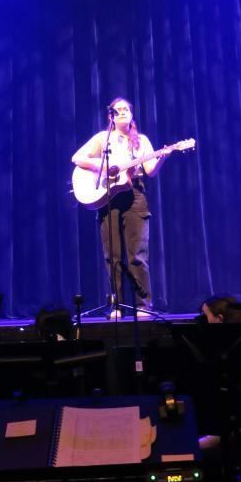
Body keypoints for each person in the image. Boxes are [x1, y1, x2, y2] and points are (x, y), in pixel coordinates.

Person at [72, 97, 171, 317]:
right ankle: (116, 305)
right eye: (118, 110)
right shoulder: (102, 139)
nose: (123, 112)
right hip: (108, 197)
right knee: (112, 255)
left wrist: (163, 157)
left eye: (127, 109)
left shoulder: (141, 140)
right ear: (112, 117)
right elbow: (77, 158)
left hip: (135, 197)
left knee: (137, 254)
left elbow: (151, 170)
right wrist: (104, 167)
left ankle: (144, 306)